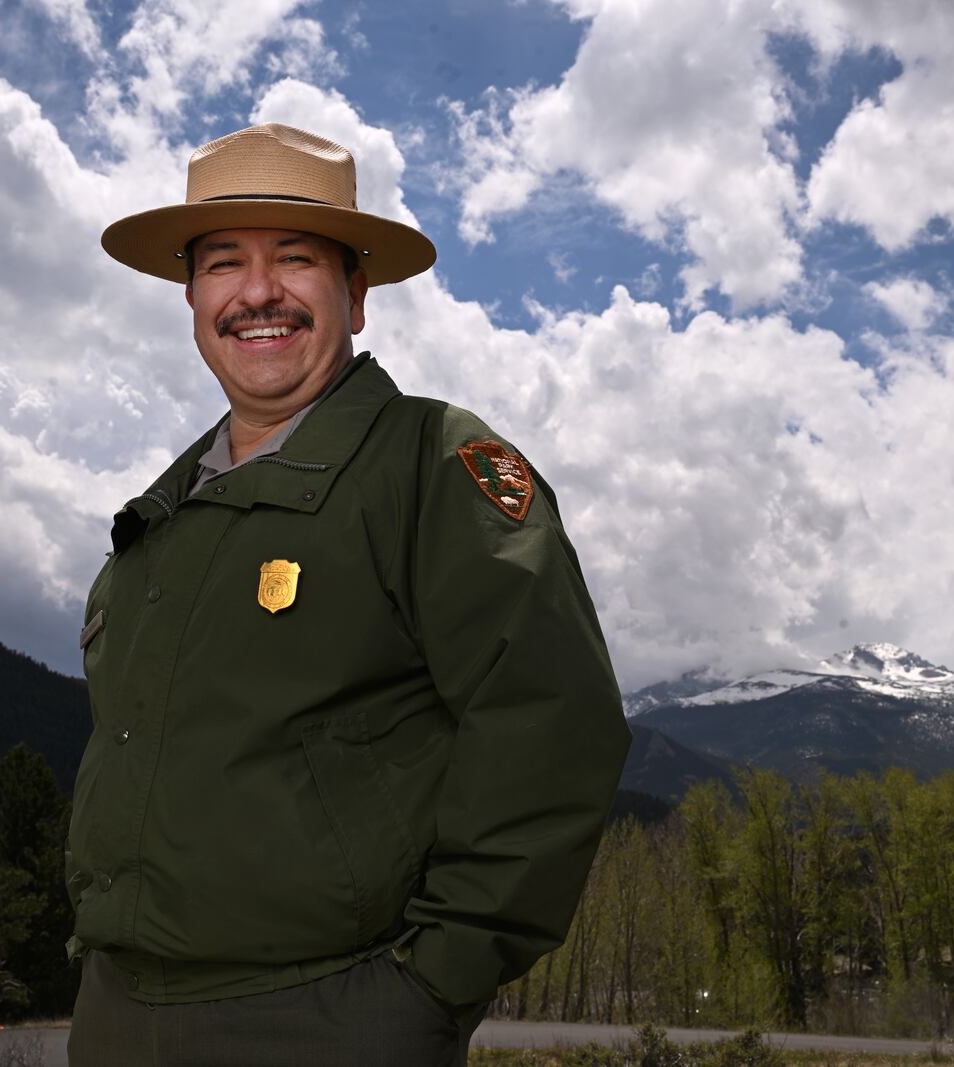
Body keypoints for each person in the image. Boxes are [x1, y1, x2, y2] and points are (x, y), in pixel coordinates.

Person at [64, 123, 631, 1066]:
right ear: (192, 298)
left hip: (332, 1018)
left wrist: (432, 983)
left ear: (357, 295)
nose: (256, 293)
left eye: (295, 259)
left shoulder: (429, 463)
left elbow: (552, 720)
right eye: (221, 265)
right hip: (119, 1017)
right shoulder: (154, 529)